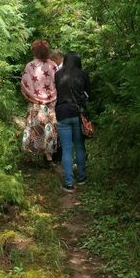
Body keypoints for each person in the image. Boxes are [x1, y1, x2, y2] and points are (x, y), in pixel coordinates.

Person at [55, 52, 90, 191]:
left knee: (67, 149)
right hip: (78, 113)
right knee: (79, 145)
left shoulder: (58, 74)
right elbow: (89, 94)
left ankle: (69, 182)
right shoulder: (82, 74)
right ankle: (81, 177)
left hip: (62, 112)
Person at [21, 40, 59, 163]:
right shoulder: (53, 65)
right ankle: (49, 156)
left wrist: (30, 96)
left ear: (34, 51)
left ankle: (34, 152)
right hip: (51, 102)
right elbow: (58, 83)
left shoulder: (30, 66)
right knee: (49, 127)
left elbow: (25, 85)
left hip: (35, 103)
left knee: (36, 127)